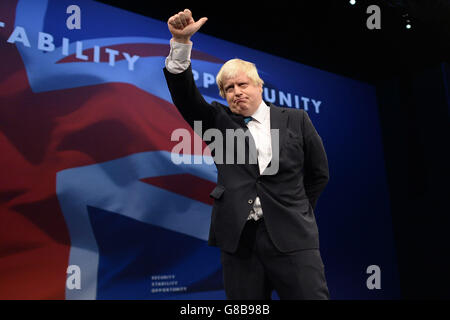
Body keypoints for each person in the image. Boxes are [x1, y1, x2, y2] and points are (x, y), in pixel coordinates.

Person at [164, 9, 330, 300]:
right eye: (229, 88)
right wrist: (180, 45)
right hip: (240, 243)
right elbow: (185, 96)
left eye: (242, 85)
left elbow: (319, 174)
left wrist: (296, 209)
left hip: (293, 239)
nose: (236, 92)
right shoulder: (218, 121)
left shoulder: (296, 119)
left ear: (258, 86)